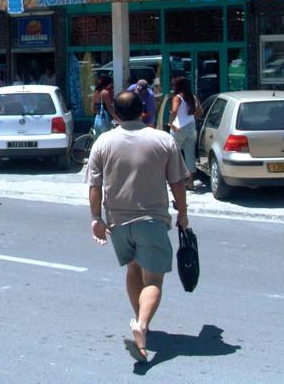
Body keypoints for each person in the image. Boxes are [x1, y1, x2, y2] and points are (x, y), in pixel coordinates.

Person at [87, 91, 189, 363]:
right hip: (152, 220)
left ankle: (140, 318)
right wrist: (183, 213)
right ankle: (142, 325)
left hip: (118, 222)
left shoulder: (103, 142)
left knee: (133, 268)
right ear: (144, 111)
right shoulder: (162, 140)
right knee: (153, 279)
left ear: (115, 115)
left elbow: (94, 185)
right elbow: (177, 182)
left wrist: (96, 218)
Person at [168, 76, 203, 191]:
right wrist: (193, 117)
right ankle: (190, 182)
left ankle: (176, 181)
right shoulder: (192, 97)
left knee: (174, 155)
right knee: (190, 155)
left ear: (177, 86)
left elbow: (174, 110)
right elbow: (200, 112)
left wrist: (170, 123)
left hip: (179, 127)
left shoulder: (177, 97)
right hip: (191, 127)